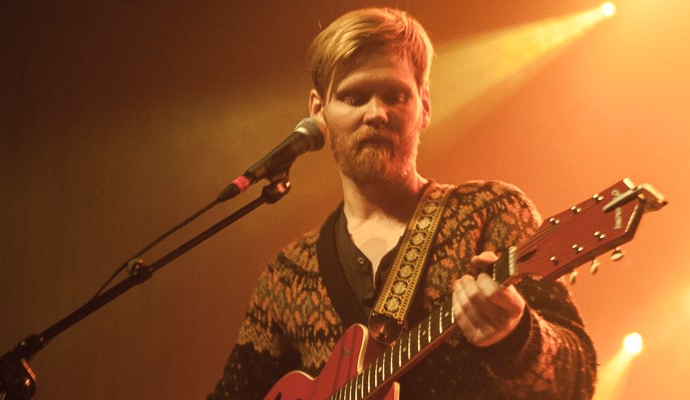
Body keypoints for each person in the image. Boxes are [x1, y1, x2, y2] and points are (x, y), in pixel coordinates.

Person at [207, 7, 596, 400]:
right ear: (318, 111)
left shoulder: (493, 212)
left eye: (395, 95)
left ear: (424, 106)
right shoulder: (287, 274)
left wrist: (517, 337)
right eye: (354, 97)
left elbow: (579, 381)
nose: (376, 113)